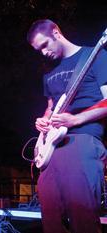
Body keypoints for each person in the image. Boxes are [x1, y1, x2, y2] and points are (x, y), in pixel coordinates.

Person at [27, 19, 107, 233]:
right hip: (52, 149)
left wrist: (76, 120)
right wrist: (43, 121)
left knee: (83, 218)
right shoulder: (49, 73)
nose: (43, 53)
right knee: (51, 219)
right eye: (38, 50)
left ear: (56, 33)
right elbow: (51, 107)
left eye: (45, 45)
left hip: (81, 139)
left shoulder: (94, 57)